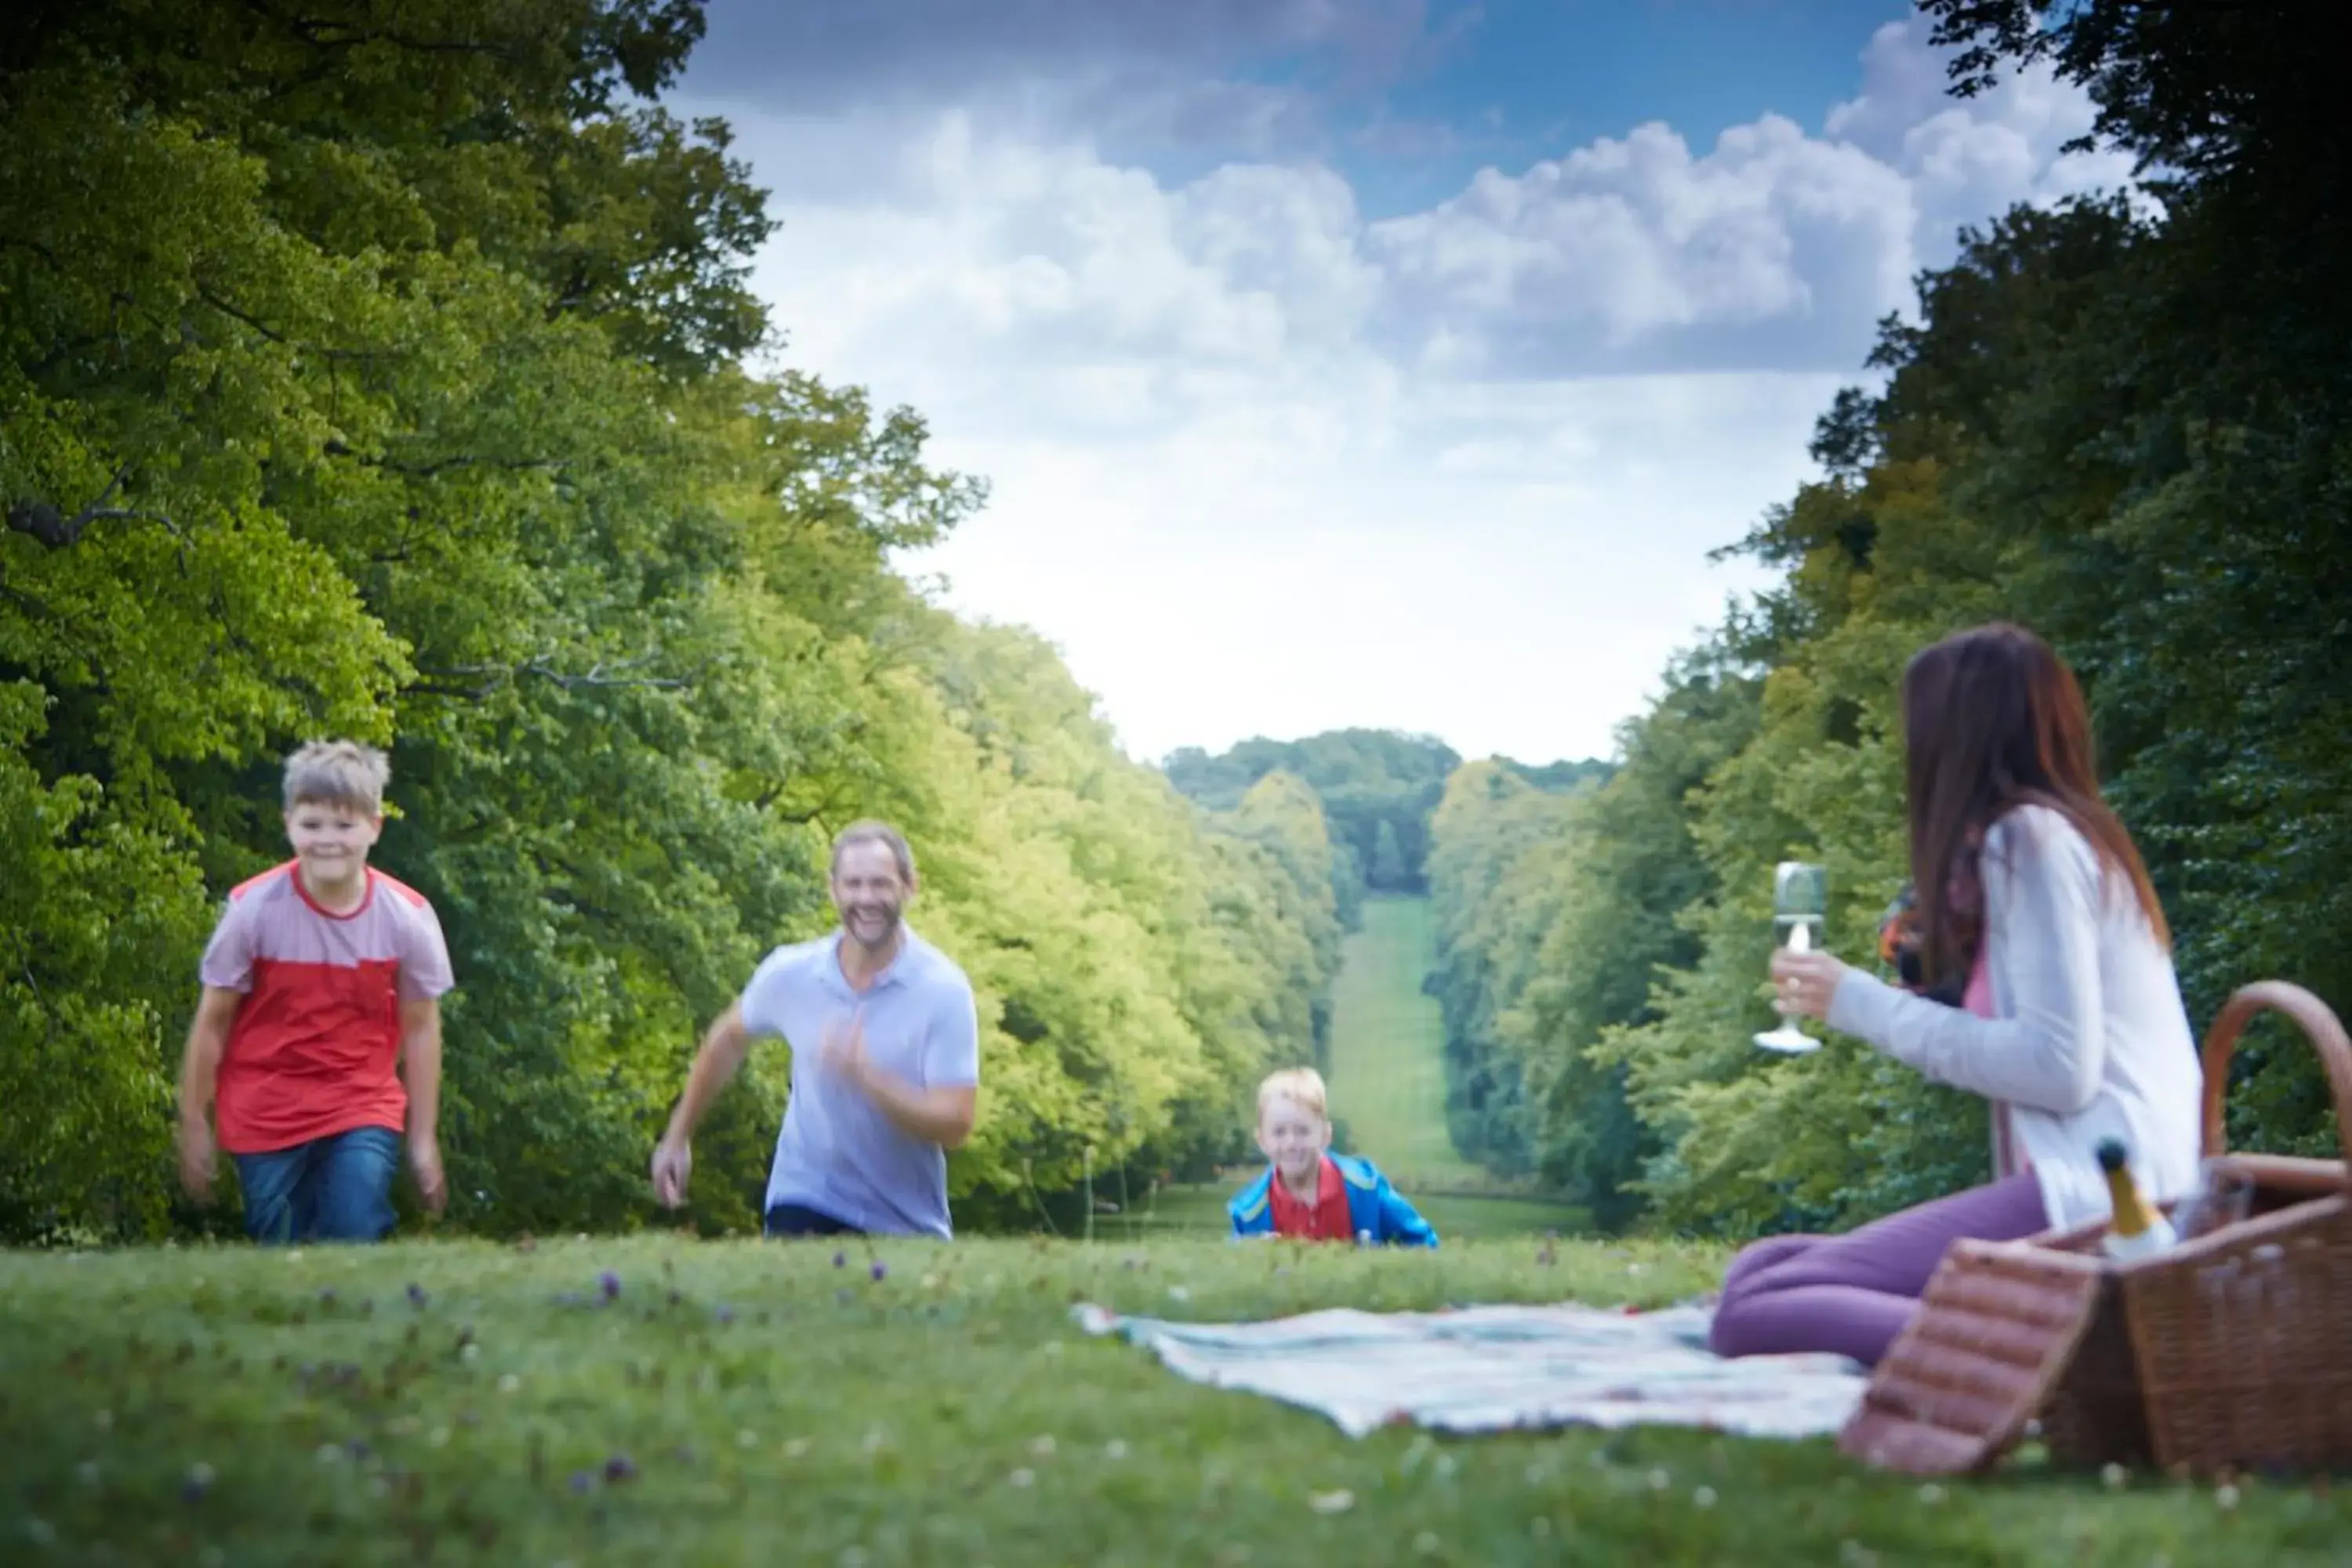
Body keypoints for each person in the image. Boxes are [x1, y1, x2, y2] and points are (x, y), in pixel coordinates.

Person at [1709, 622, 2201, 1367]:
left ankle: (2043, 1362)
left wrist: (1858, 1002)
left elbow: (2058, 1069)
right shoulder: (2059, 837)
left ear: (1960, 735)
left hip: (2107, 1194)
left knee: (1750, 1313)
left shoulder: (2029, 840)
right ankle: (2029, 1331)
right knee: (1761, 1269)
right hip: (2103, 1181)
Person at [176, 739, 455, 1243]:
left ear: (374, 827)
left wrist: (422, 1138)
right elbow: (213, 1022)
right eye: (312, 825)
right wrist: (194, 1118)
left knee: (355, 1219)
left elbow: (420, 1028)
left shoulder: (406, 918)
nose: (328, 840)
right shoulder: (253, 910)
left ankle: (357, 1312)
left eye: (345, 825)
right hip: (264, 1109)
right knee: (280, 1239)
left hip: (360, 1101)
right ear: (288, 824)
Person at [651, 821, 979, 1240]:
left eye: (880, 884)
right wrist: (678, 1137)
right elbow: (727, 1040)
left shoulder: (943, 989)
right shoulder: (792, 972)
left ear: (909, 886)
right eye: (854, 884)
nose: (866, 898)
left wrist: (869, 1079)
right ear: (833, 890)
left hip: (906, 1223)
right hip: (804, 1198)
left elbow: (956, 1123)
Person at [1228, 1067, 1439, 1247]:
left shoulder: (1366, 1189)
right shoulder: (1249, 1214)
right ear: (1262, 1140)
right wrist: (1258, 1258)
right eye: (1279, 1132)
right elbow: (1234, 1276)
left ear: (1325, 1135)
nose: (1291, 1143)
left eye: (1303, 1131)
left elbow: (1424, 1242)